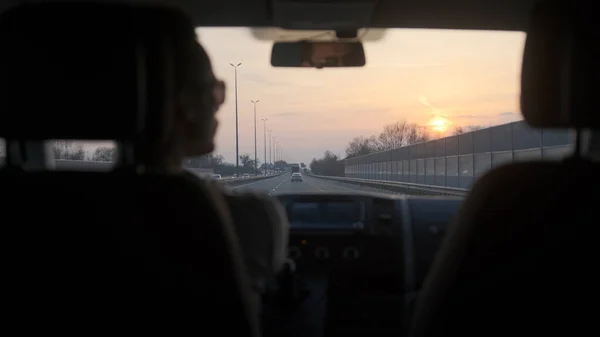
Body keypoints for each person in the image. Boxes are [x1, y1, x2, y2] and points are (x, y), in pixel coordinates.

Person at [134, 11, 289, 310]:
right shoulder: (242, 218)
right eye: (215, 91)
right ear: (187, 105)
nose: (219, 105)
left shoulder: (35, 208)